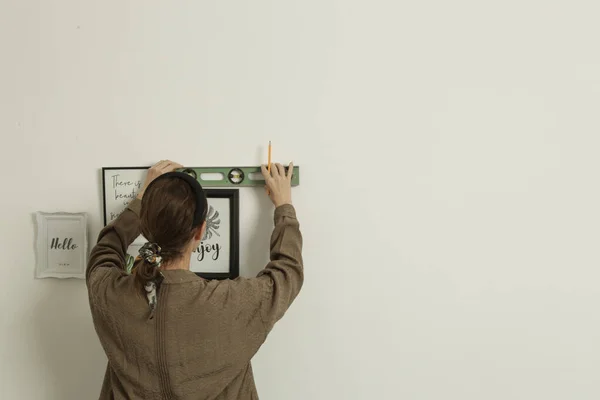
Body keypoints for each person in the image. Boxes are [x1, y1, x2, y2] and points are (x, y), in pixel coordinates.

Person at [86, 160, 303, 400]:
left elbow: (106, 249)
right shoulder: (232, 303)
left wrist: (141, 199)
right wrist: (284, 206)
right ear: (200, 231)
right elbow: (287, 272)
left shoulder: (109, 294)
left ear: (145, 229)